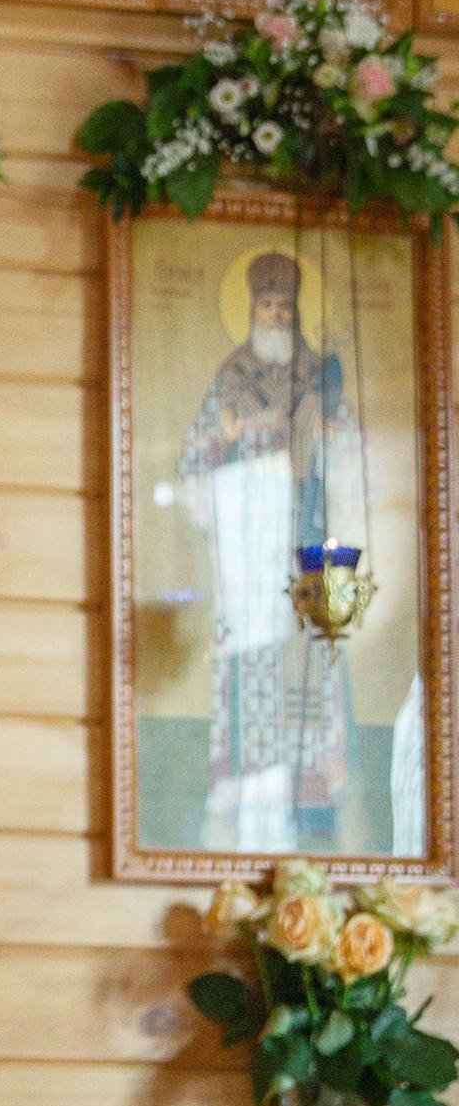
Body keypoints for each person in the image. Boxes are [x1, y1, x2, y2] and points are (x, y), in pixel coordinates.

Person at [176, 248, 357, 849]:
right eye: (267, 306)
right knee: (251, 658)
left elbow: (352, 451)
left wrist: (329, 434)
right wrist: (226, 444)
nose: (276, 317)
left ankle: (310, 791)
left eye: (285, 307)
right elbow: (194, 458)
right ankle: (242, 780)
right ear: (251, 310)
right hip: (252, 542)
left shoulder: (318, 373)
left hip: (306, 539)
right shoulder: (230, 377)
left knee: (311, 660)